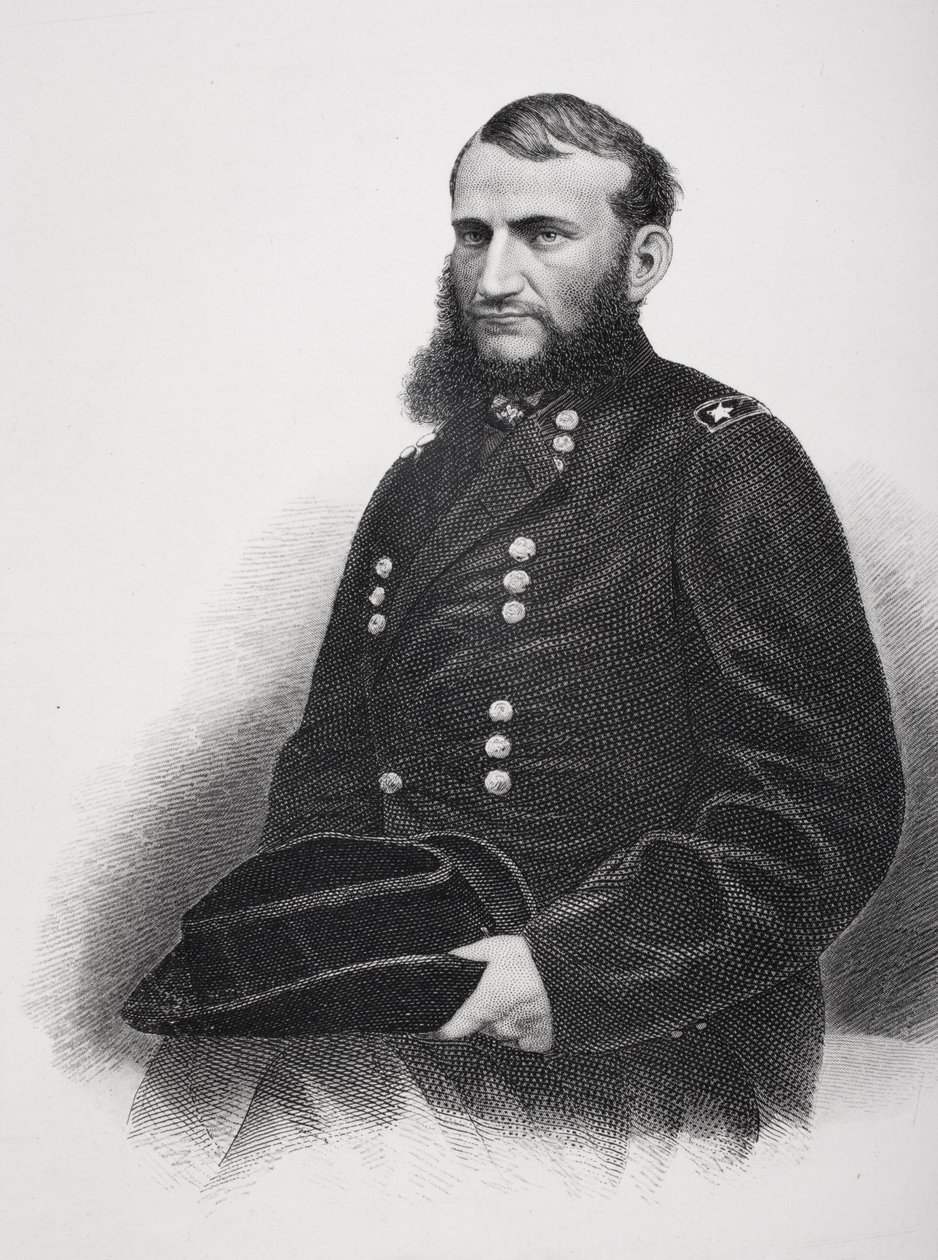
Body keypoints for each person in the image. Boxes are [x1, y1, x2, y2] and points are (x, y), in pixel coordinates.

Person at [131, 93, 905, 1185]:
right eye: (472, 234)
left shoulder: (720, 458)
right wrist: (304, 944)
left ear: (641, 261)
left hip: (627, 1032)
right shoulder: (418, 483)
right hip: (404, 982)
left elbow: (816, 810)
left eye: (543, 235)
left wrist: (568, 972)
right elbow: (332, 767)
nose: (493, 277)